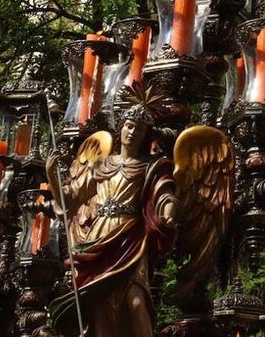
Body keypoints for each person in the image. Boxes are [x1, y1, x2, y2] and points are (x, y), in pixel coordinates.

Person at [48, 106, 177, 337]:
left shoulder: (150, 166)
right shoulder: (101, 165)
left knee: (136, 301)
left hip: (131, 238)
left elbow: (164, 194)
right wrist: (51, 175)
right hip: (98, 239)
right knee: (100, 305)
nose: (132, 132)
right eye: (129, 126)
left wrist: (168, 211)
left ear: (146, 135)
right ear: (121, 129)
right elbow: (69, 199)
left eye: (139, 129)